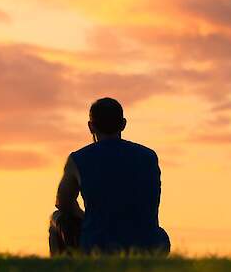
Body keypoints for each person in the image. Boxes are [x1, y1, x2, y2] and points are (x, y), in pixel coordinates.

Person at [49, 97, 171, 256]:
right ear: (123, 124)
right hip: (150, 245)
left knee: (57, 217)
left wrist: (85, 218)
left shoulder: (78, 159)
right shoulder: (149, 156)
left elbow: (62, 202)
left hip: (98, 246)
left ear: (91, 127)